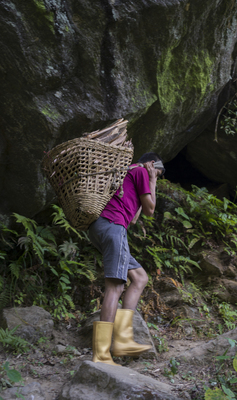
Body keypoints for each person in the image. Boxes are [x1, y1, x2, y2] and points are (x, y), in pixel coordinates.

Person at [88, 152, 165, 365]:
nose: (155, 177)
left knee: (139, 278)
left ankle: (122, 341)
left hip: (101, 227)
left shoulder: (128, 173)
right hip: (113, 226)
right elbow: (150, 210)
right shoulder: (140, 171)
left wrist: (146, 186)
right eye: (157, 172)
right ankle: (102, 353)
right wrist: (152, 179)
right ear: (151, 164)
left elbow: (135, 218)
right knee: (115, 286)